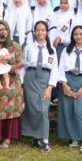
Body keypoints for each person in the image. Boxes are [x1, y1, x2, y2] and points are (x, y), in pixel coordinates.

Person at [56, 26, 82, 152]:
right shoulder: (66, 51)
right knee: (67, 110)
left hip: (81, 81)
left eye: (81, 34)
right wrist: (64, 84)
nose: (78, 36)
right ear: (72, 36)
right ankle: (72, 138)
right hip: (67, 79)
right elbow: (60, 67)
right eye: (76, 34)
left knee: (79, 111)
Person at [21, 21, 58, 152]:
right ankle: (35, 138)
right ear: (34, 32)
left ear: (47, 32)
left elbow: (54, 69)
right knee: (32, 109)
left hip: (44, 79)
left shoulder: (52, 49)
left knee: (43, 109)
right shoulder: (29, 47)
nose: (40, 32)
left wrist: (50, 87)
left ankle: (46, 141)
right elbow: (23, 66)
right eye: (37, 30)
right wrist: (21, 83)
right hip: (30, 78)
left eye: (43, 30)